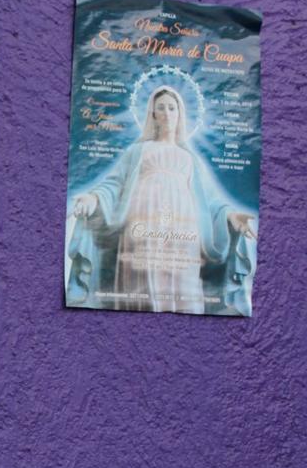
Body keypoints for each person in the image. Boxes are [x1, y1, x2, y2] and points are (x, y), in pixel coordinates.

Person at [69, 86, 257, 314]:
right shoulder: (138, 151)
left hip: (184, 227)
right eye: (161, 108)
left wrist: (232, 215)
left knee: (182, 279)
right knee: (142, 278)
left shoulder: (190, 159)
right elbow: (114, 183)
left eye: (172, 108)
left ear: (179, 113)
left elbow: (211, 200)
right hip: (141, 220)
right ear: (153, 114)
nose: (167, 113)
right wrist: (93, 197)